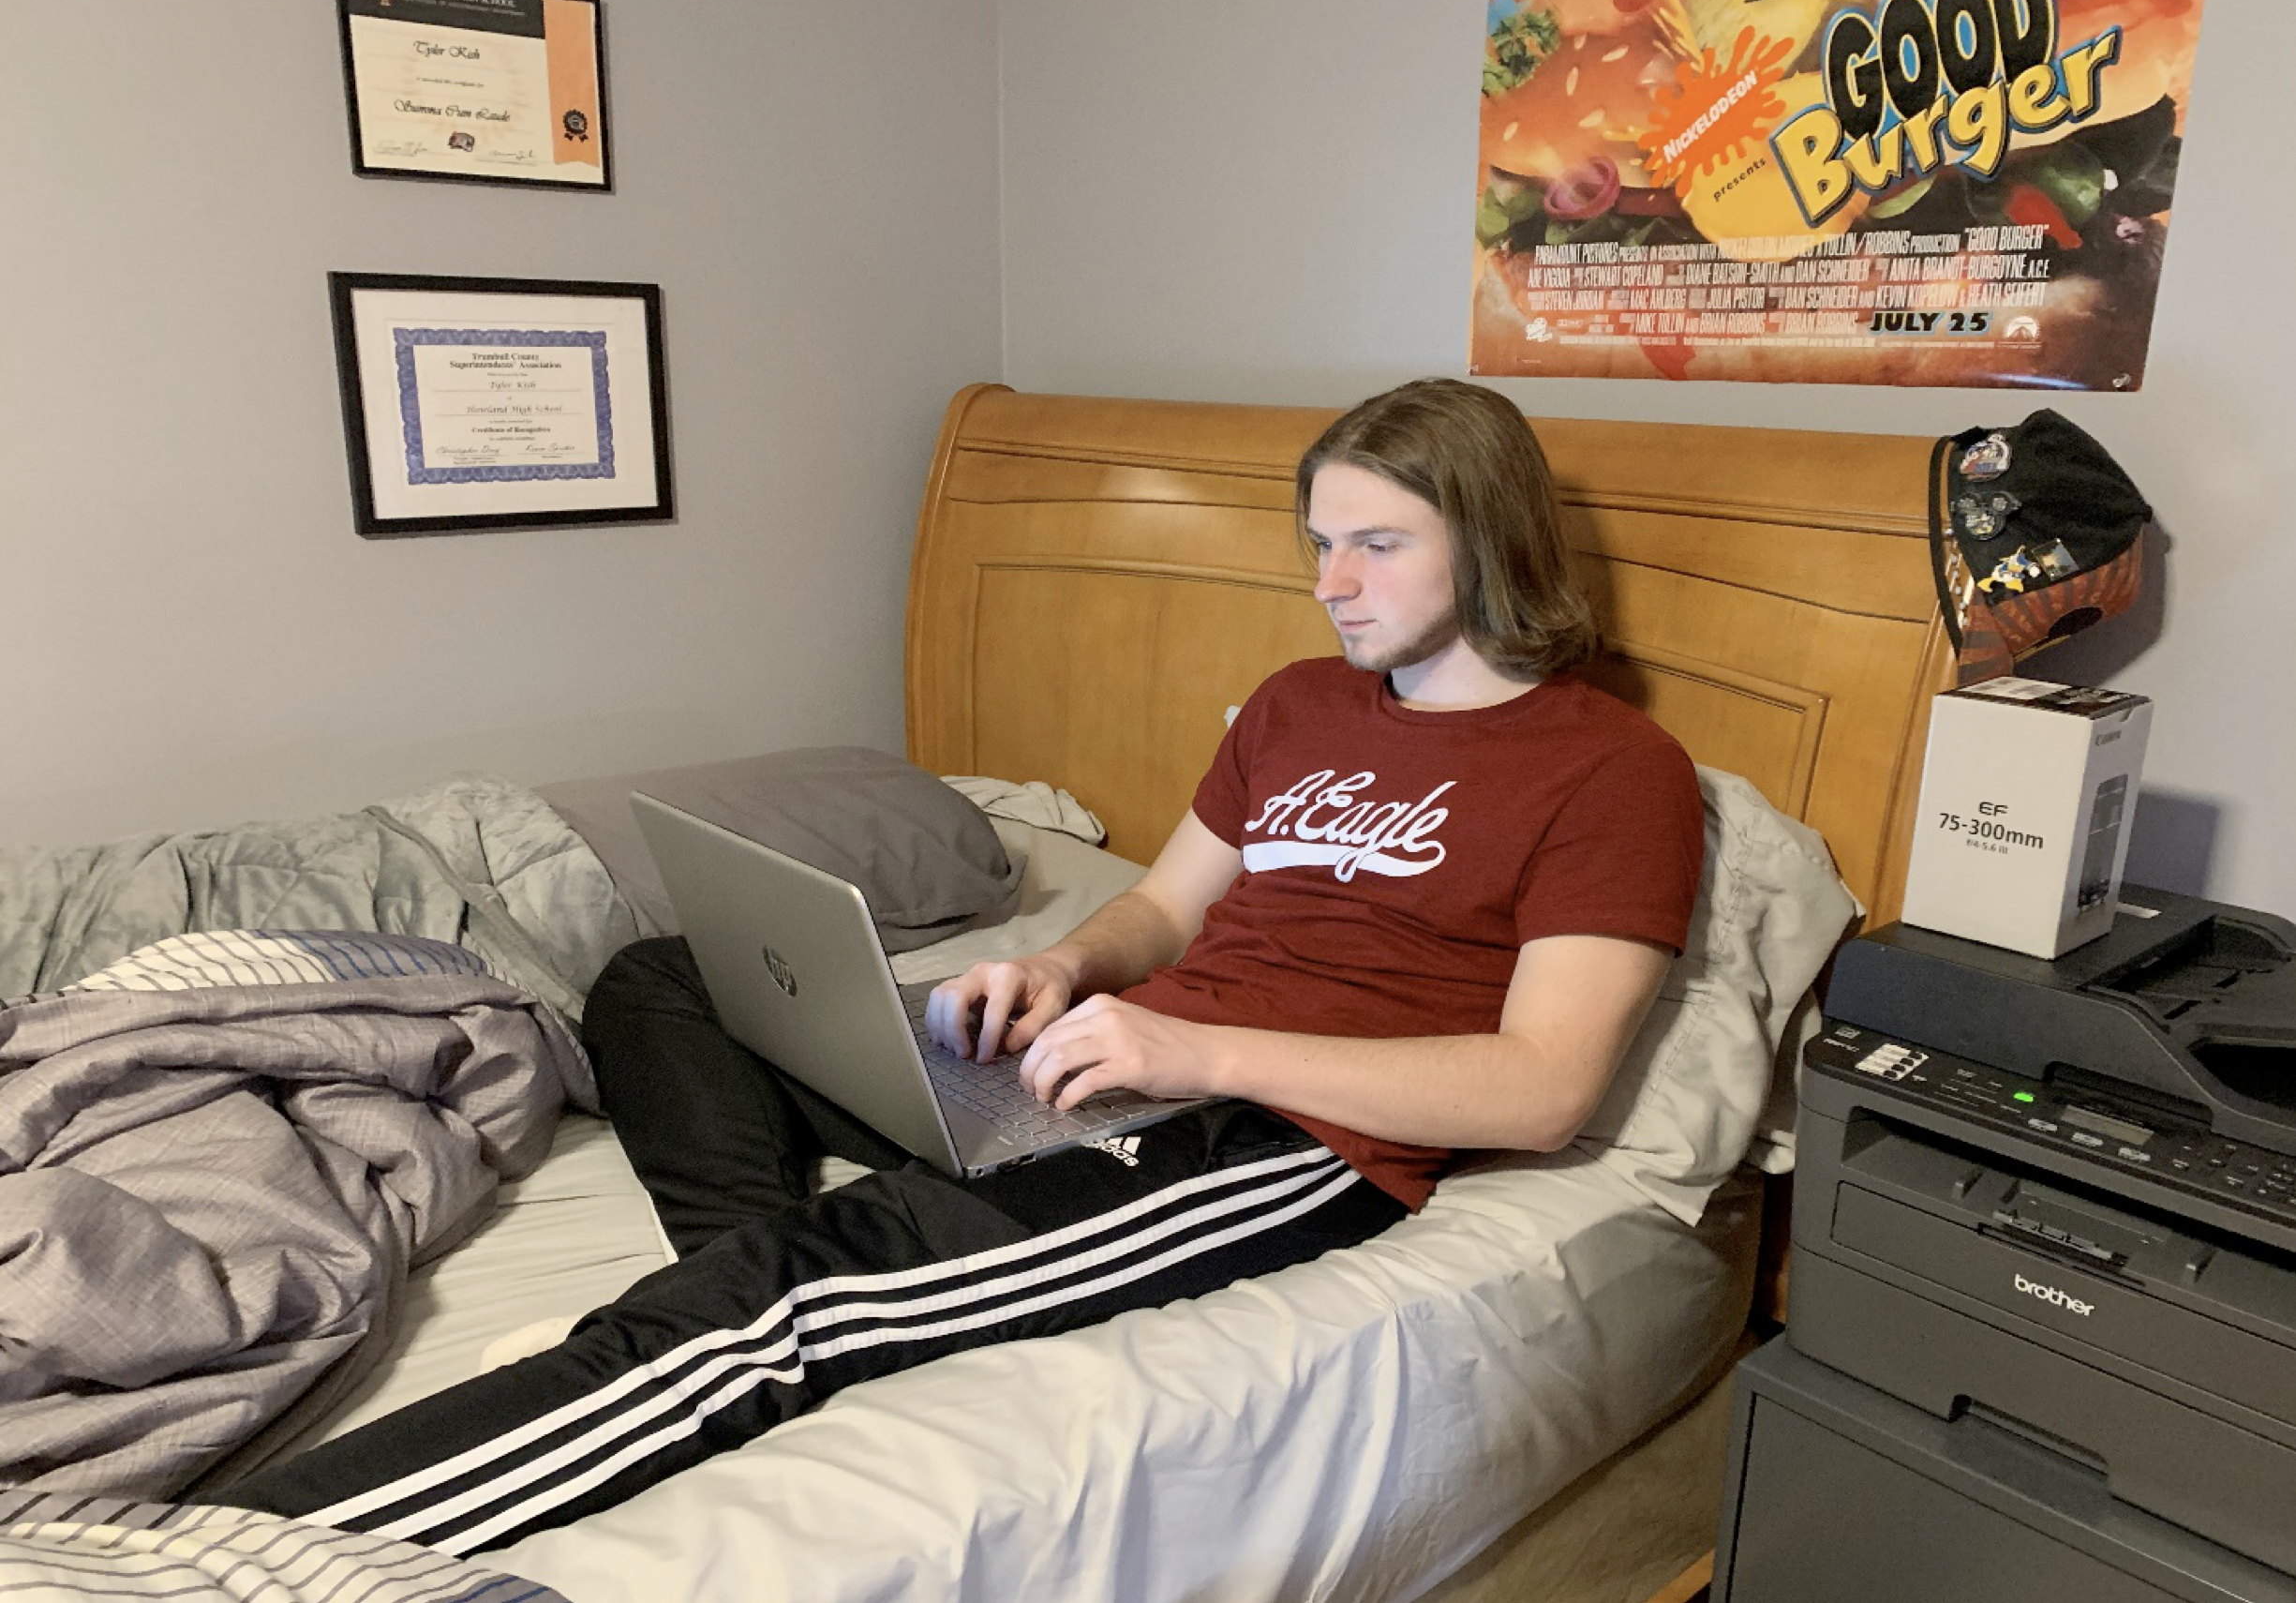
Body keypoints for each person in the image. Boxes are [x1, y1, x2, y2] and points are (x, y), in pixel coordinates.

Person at [217, 378, 1704, 1556]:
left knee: (798, 1299)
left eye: (1376, 542)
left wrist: (1200, 1057)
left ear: (1489, 540)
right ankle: (731, 1255)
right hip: (1104, 1059)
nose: (1331, 581)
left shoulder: (1612, 770)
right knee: (671, 978)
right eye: (1318, 540)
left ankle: (261, 1550)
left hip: (1278, 1135)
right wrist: (1060, 965)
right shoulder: (1303, 703)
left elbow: (1541, 1088)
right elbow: (1167, 911)